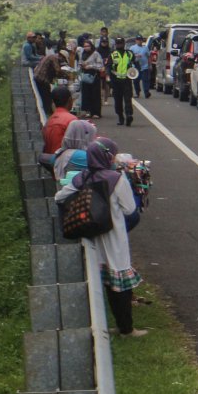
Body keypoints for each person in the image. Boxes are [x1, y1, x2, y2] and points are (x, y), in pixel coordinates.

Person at [54, 140, 146, 337]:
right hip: (114, 237)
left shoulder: (82, 177)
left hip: (92, 236)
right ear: (107, 156)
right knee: (120, 284)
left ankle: (109, 325)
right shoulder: (116, 179)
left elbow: (60, 197)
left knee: (101, 280)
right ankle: (127, 329)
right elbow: (130, 209)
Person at [108, 37, 136, 126]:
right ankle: (120, 117)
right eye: (118, 43)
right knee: (118, 100)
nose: (119, 45)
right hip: (116, 81)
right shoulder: (113, 54)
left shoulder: (129, 54)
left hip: (127, 80)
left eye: (121, 43)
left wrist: (133, 73)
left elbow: (134, 65)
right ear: (116, 44)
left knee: (128, 99)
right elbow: (109, 67)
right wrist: (110, 80)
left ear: (124, 44)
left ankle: (129, 115)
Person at [43, 87, 78, 153]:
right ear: (70, 100)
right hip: (64, 160)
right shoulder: (72, 120)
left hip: (49, 159)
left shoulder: (49, 121)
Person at [78, 39, 104, 120]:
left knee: (95, 94)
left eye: (88, 46)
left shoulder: (95, 54)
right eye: (85, 46)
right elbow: (80, 62)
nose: (86, 48)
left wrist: (91, 66)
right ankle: (88, 111)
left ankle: (96, 112)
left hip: (94, 76)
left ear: (91, 46)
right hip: (85, 75)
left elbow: (100, 65)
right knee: (86, 94)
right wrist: (82, 65)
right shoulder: (83, 54)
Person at [33, 48, 62, 115]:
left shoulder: (50, 56)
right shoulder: (54, 58)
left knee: (45, 95)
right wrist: (64, 74)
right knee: (47, 96)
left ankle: (48, 111)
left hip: (38, 77)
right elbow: (58, 70)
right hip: (41, 79)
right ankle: (46, 112)